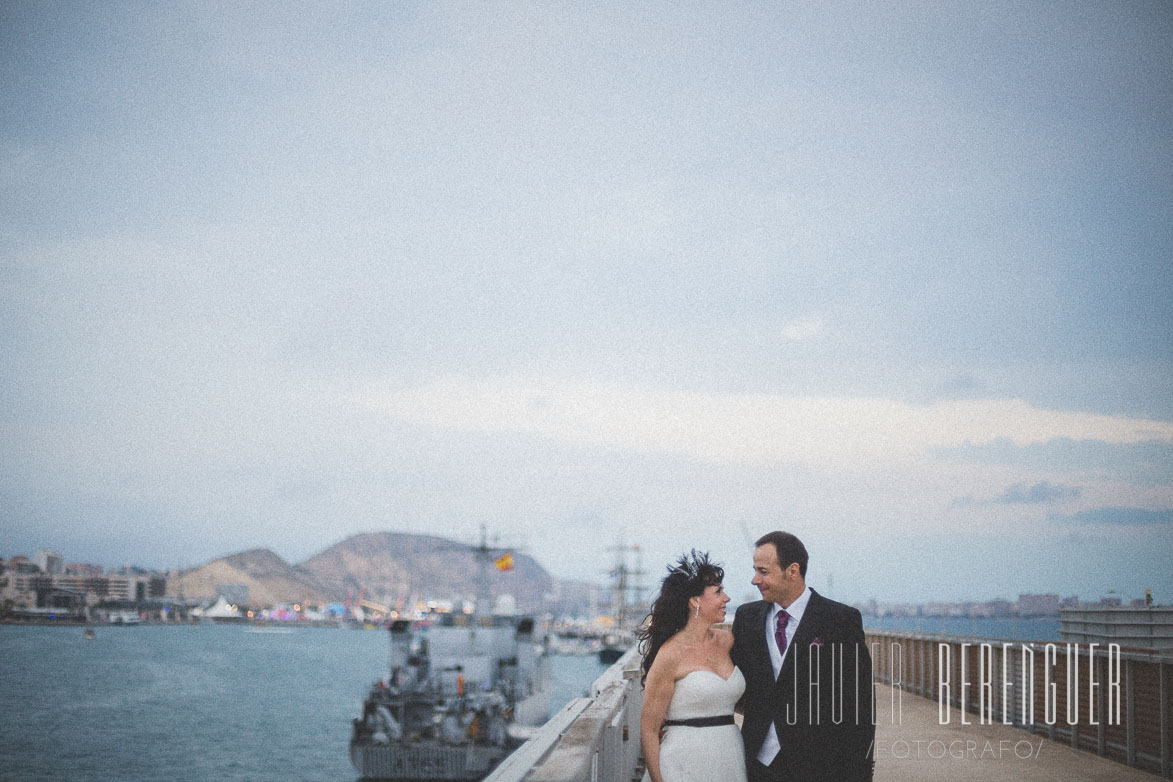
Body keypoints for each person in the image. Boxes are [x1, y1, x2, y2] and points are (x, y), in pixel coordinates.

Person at [731, 531, 874, 782]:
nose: (755, 580)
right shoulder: (746, 618)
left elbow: (860, 707)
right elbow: (731, 682)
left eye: (763, 571)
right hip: (756, 764)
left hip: (820, 766)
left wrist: (859, 774)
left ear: (793, 570)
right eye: (755, 570)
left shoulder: (840, 620)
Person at [639, 550, 748, 782]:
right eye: (718, 592)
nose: (726, 598)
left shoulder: (729, 640)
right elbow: (649, 730)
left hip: (730, 758)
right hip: (683, 763)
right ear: (695, 601)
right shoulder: (669, 654)